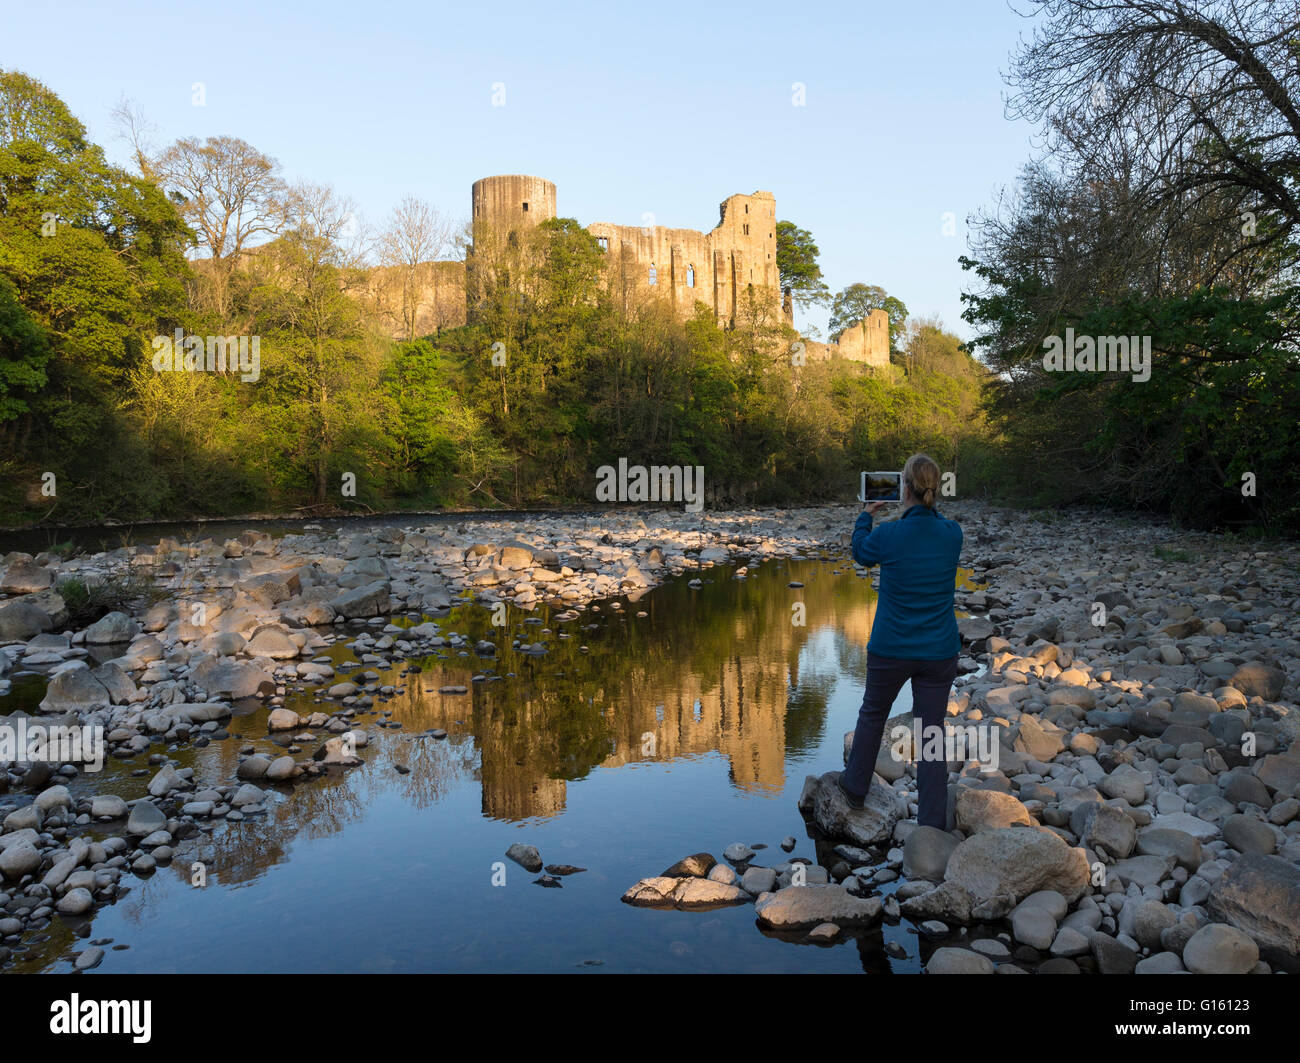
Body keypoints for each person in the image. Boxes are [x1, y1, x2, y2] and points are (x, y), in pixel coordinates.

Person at [838, 453, 962, 830]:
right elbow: (931, 535)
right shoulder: (952, 533)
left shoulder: (888, 535)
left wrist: (866, 514)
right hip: (938, 650)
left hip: (891, 647)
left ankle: (855, 788)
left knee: (873, 715)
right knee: (931, 731)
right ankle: (932, 823)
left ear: (903, 489)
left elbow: (860, 552)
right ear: (935, 490)